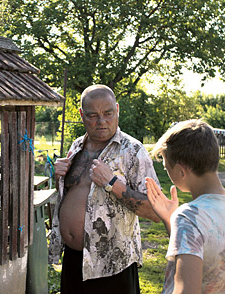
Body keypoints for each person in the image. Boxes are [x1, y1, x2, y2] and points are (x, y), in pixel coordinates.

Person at [49, 84, 161, 294]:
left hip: (112, 266)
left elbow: (155, 211)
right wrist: (59, 178)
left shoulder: (133, 151)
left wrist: (112, 184)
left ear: (117, 109)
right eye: (93, 115)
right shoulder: (76, 147)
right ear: (82, 114)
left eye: (108, 113)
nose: (101, 122)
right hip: (74, 261)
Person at [145, 119, 225, 294]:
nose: (167, 172)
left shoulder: (188, 218)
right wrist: (169, 220)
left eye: (166, 168)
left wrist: (179, 219)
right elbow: (206, 254)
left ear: (181, 171)